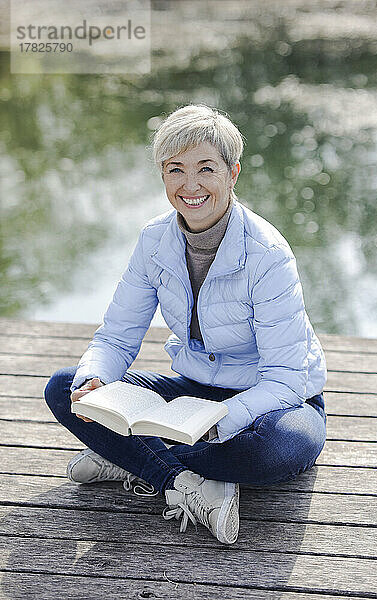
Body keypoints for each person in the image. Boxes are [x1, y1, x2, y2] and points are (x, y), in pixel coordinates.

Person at [44, 104, 327, 545]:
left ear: (233, 173)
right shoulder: (153, 239)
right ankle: (183, 482)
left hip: (271, 403)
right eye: (175, 169)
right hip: (192, 392)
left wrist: (219, 421)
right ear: (162, 174)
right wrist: (95, 379)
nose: (190, 185)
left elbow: (287, 380)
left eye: (206, 168)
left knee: (280, 447)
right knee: (64, 387)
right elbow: (116, 337)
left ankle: (132, 458)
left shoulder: (268, 254)